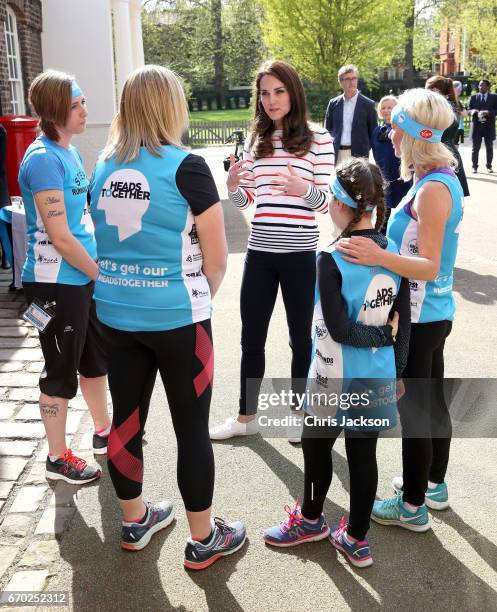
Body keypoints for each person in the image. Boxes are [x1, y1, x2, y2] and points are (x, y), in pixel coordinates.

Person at [90, 65, 246, 568]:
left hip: (115, 314)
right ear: (172, 106)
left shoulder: (103, 164)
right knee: (191, 428)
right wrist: (197, 297)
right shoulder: (188, 166)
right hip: (180, 320)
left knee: (125, 422)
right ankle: (203, 540)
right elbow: (218, 259)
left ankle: (134, 521)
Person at [263, 158, 410, 568]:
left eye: (330, 198)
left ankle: (311, 520)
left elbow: (342, 329)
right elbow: (406, 321)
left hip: (332, 375)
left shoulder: (332, 257)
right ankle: (357, 539)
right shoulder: (394, 253)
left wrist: (384, 336)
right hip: (376, 376)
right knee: (364, 458)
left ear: (343, 206)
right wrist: (396, 368)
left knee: (316, 449)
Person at [335, 88, 464, 530]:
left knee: (416, 412)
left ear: (411, 134)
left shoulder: (434, 189)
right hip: (431, 312)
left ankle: (413, 506)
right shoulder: (436, 179)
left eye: (394, 126)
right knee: (428, 404)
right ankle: (431, 486)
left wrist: (378, 257)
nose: (387, 132)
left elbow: (427, 265)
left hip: (424, 314)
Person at [208, 60, 335, 441]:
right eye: (264, 93)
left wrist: (302, 189)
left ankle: (298, 412)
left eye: (279, 91)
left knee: (301, 337)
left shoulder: (320, 139)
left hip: (300, 254)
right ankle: (247, 418)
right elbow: (248, 200)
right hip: (260, 253)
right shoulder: (254, 140)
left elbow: (327, 203)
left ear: (293, 93)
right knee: (251, 337)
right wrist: (231, 184)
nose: (271, 100)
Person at [18, 70, 110, 485]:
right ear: (55, 110)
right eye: (76, 105)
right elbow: (59, 236)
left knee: (93, 360)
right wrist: (102, 275)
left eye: (83, 102)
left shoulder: (68, 151)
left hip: (81, 278)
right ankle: (57, 458)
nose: (84, 111)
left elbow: (82, 218)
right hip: (56, 283)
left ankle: (105, 431)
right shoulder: (42, 160)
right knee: (59, 370)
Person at [371, 95, 412, 229]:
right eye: (383, 108)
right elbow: (385, 134)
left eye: (390, 107)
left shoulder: (404, 129)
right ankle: (381, 236)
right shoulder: (378, 131)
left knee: (406, 209)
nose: (387, 110)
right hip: (385, 176)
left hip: (403, 174)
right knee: (384, 212)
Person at [425, 76, 469, 196]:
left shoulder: (440, 108)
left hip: (439, 154)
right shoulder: (449, 105)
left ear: (435, 91)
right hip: (448, 152)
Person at [324, 64, 377, 164]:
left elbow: (373, 134)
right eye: (347, 79)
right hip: (336, 154)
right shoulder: (333, 104)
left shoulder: (368, 104)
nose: (351, 82)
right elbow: (327, 130)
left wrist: (364, 147)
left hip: (359, 155)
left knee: (357, 180)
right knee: (336, 180)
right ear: (341, 82)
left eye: (354, 78)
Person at [468, 79, 497, 173]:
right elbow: (468, 110)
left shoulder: (494, 97)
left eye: (483, 85)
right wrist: (472, 111)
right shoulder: (473, 97)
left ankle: (489, 166)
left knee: (489, 147)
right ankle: (474, 167)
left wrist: (488, 112)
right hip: (477, 127)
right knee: (475, 148)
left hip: (489, 127)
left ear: (488, 87)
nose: (481, 87)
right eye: (480, 85)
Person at [452, 80, 467, 145]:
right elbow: (465, 114)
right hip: (453, 129)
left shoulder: (445, 99)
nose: (460, 91)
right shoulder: (456, 101)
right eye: (460, 89)